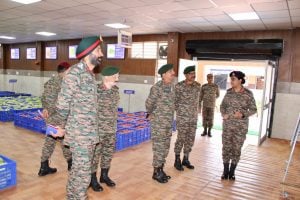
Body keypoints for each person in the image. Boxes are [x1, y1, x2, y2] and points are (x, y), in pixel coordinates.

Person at [50, 36, 103, 199]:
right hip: (79, 135)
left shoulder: (89, 74)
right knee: (83, 174)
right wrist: (58, 127)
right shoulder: (75, 73)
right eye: (99, 50)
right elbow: (62, 104)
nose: (101, 54)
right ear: (89, 53)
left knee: (79, 172)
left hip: (88, 134)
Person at [220, 71, 257, 181]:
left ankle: (232, 172)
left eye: (233, 79)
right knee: (226, 148)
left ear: (240, 80)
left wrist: (243, 114)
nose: (231, 81)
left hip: (240, 128)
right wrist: (224, 114)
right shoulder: (228, 93)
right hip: (227, 126)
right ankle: (225, 170)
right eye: (231, 79)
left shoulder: (248, 94)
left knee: (236, 149)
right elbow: (222, 106)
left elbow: (254, 109)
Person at [38, 62, 72, 176]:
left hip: (51, 117)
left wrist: (45, 109)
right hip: (59, 117)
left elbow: (43, 98)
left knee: (50, 141)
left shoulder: (50, 82)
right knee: (64, 140)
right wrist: (50, 111)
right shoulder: (62, 83)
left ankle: (44, 166)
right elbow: (53, 102)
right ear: (65, 71)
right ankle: (71, 164)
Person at [90, 66, 120, 192]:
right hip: (98, 130)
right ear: (108, 77)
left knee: (108, 154)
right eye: (116, 75)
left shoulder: (115, 91)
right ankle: (92, 180)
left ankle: (104, 176)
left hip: (111, 129)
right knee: (95, 156)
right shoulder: (95, 90)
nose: (118, 78)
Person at [145, 63, 175, 184]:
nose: (173, 73)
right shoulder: (157, 87)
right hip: (158, 123)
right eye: (170, 72)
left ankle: (161, 169)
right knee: (158, 148)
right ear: (164, 74)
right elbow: (149, 104)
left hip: (168, 123)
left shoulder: (172, 87)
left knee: (165, 147)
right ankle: (156, 172)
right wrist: (151, 113)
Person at [173, 65, 201, 171]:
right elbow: (174, 101)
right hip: (183, 118)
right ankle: (177, 160)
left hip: (193, 118)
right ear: (185, 75)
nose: (193, 75)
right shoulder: (179, 86)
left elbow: (199, 100)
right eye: (190, 74)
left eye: (194, 73)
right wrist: (180, 112)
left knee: (190, 139)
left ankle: (186, 158)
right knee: (181, 138)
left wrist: (198, 110)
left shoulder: (198, 86)